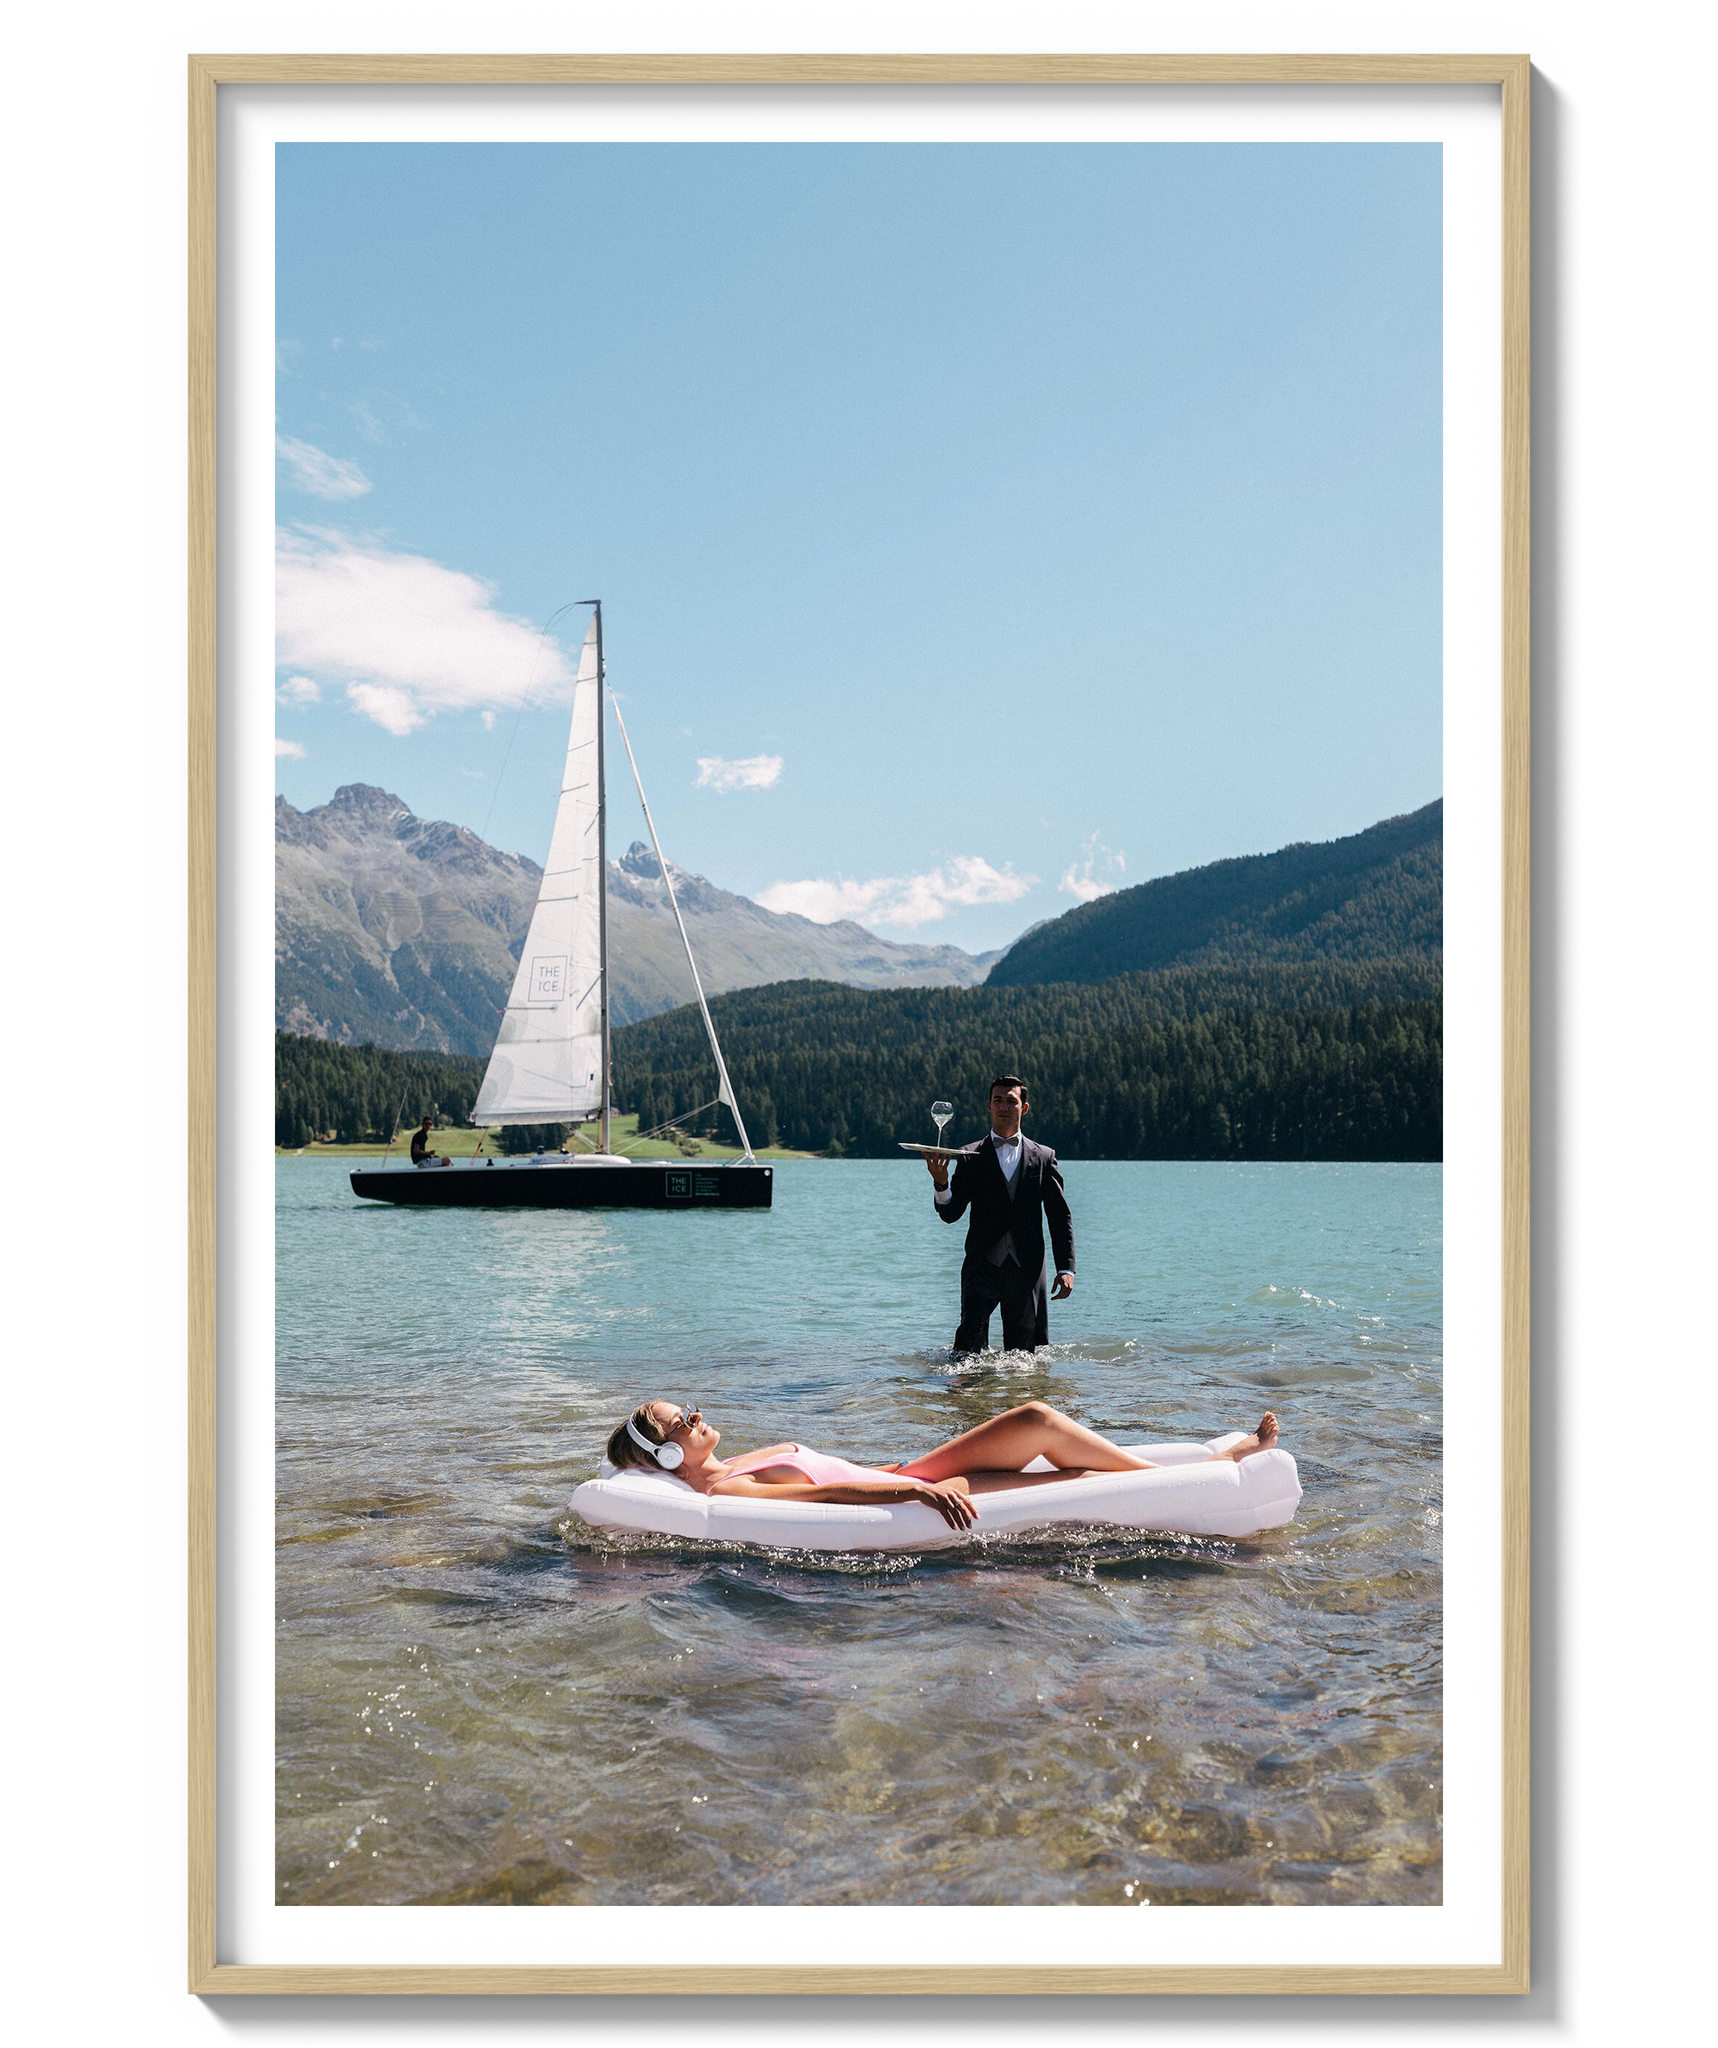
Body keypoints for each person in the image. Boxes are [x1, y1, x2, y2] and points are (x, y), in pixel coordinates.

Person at [605, 1399, 1281, 1532]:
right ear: (667, 1453)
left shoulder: (732, 1461)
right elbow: (825, 1498)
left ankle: (1212, 1458)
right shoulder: (731, 1488)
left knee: (1040, 1428)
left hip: (910, 1470)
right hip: (915, 1490)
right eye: (681, 1422)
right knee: (1043, 1434)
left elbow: (827, 1467)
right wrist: (918, 1497)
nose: (697, 1416)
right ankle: (1218, 1463)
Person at [925, 1075, 1073, 1356]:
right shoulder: (969, 1155)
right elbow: (951, 1214)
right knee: (966, 1355)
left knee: (1024, 1358)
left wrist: (1066, 1268)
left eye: (1011, 1101)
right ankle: (968, 1400)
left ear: (1024, 1108)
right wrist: (941, 1183)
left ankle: (1021, 1400)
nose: (1003, 1106)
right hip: (982, 1267)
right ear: (989, 1106)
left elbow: (1059, 1216)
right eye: (997, 1101)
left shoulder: (1043, 1156)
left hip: (1026, 1269)